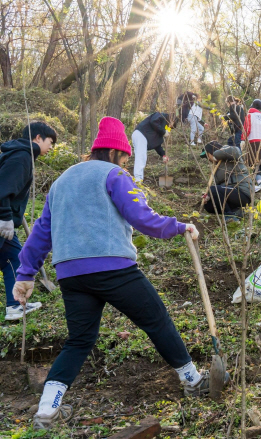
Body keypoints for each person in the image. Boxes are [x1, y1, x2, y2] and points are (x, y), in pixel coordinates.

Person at [13, 117, 217, 430]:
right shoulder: (114, 174)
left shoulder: (60, 182)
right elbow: (141, 217)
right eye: (123, 157)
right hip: (114, 268)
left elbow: (41, 233)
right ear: (113, 153)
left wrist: (25, 274)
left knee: (79, 341)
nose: (124, 162)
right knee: (156, 319)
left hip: (70, 274)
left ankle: (46, 411)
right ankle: (192, 380)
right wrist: (179, 226)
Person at [0, 122, 55, 321]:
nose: (51, 147)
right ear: (38, 138)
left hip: (4, 223)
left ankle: (15, 306)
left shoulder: (19, 153)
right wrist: (5, 216)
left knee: (14, 257)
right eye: (51, 142)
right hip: (1, 222)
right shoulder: (22, 156)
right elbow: (3, 187)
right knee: (14, 257)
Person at [202, 140, 254, 221]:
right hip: (230, 195)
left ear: (211, 153)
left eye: (207, 155)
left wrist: (216, 154)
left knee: (213, 189)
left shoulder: (229, 155)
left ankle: (230, 216)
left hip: (242, 193)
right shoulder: (217, 168)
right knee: (208, 206)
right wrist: (209, 196)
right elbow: (220, 190)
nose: (208, 159)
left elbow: (236, 151)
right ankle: (236, 211)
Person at [132, 112, 175, 182]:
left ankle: (138, 179)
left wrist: (163, 154)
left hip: (141, 136)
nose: (170, 127)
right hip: (141, 134)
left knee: (141, 158)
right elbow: (153, 121)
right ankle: (138, 180)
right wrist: (163, 132)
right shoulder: (161, 116)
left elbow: (157, 145)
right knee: (141, 157)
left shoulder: (161, 127)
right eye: (171, 125)